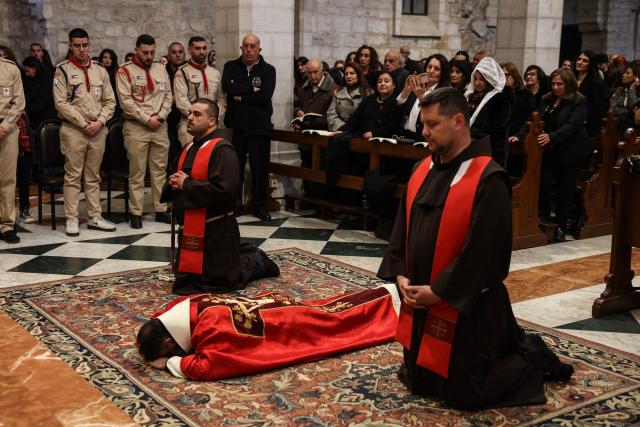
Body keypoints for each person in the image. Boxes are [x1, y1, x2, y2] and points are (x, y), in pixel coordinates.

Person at [377, 87, 573, 410]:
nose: (422, 132)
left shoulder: (488, 178)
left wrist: (438, 291)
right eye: (422, 124)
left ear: (458, 121)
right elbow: (401, 231)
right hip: (422, 302)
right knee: (421, 381)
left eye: (431, 124)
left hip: (468, 305)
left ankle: (532, 354)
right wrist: (401, 276)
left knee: (465, 393)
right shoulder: (420, 170)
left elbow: (484, 254)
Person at [137, 283, 400, 380]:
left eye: (172, 349)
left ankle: (389, 303)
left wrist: (172, 361)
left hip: (286, 324)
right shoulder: (180, 309)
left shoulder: (211, 328)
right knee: (327, 309)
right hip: (272, 307)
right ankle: (384, 294)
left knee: (334, 322)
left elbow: (209, 366)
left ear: (171, 341)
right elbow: (154, 322)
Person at [165, 97, 280, 295]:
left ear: (212, 121)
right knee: (187, 280)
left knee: (220, 282)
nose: (189, 118)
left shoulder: (223, 149)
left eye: (197, 114)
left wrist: (187, 184)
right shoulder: (189, 147)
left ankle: (257, 261)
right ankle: (242, 253)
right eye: (189, 113)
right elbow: (181, 178)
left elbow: (225, 192)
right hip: (192, 228)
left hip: (216, 230)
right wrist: (174, 182)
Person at [53, 28, 116, 237]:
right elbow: (61, 103)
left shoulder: (100, 70)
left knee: (93, 176)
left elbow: (110, 101)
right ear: (70, 46)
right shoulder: (62, 70)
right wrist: (83, 123)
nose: (82, 49)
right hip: (74, 130)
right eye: (77, 45)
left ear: (89, 45)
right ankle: (72, 218)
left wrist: (99, 122)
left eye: (85, 45)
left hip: (97, 130)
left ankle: (95, 216)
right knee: (72, 175)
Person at [116, 34, 173, 229]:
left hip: (160, 126)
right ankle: (136, 213)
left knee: (160, 171)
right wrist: (147, 119)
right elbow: (126, 102)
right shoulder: (125, 71)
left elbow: (168, 96)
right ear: (137, 50)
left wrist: (161, 116)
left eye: (152, 52)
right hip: (137, 127)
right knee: (137, 172)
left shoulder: (160, 68)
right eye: (145, 52)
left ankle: (160, 209)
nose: (149, 56)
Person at [221, 33, 276, 222]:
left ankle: (259, 206)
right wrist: (251, 90)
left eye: (253, 46)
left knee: (259, 169)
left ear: (259, 49)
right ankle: (234, 205)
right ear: (241, 48)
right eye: (246, 46)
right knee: (233, 169)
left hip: (259, 128)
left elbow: (265, 95)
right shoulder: (231, 67)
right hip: (236, 127)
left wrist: (241, 95)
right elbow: (228, 88)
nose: (249, 49)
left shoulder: (268, 70)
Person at [174, 36, 226, 147]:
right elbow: (181, 101)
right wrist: (199, 117)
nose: (202, 52)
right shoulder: (182, 72)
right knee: (190, 161)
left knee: (211, 158)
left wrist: (216, 115)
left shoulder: (214, 72)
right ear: (189, 50)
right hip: (191, 124)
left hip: (211, 125)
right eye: (197, 48)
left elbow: (221, 98)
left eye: (204, 48)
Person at [0, 49, 26, 243]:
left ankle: (7, 224)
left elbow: (18, 103)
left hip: (7, 129)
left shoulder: (10, 69)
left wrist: (4, 126)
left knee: (8, 179)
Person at [465, 57, 510, 167]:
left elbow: (498, 127)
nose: (478, 83)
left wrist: (472, 134)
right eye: (475, 79)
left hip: (491, 149)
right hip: (469, 147)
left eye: (482, 79)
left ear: (489, 79)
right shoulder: (470, 96)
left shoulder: (500, 98)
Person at [397, 54, 450, 142]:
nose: (431, 71)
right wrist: (405, 91)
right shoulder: (418, 83)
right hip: (404, 136)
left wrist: (421, 96)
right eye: (429, 67)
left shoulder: (444, 92)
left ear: (442, 73)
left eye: (436, 69)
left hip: (425, 139)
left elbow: (436, 115)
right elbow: (397, 107)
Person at [326, 62, 372, 132]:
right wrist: (342, 127)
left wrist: (351, 129)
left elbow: (368, 116)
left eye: (352, 73)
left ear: (358, 75)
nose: (348, 76)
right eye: (346, 74)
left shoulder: (368, 92)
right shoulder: (338, 92)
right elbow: (331, 113)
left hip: (359, 132)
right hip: (340, 130)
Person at [293, 58, 336, 130]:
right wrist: (297, 111)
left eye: (316, 72)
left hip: (323, 133)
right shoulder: (304, 87)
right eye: (309, 73)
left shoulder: (333, 89)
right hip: (305, 132)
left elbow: (331, 115)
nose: (312, 76)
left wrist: (310, 122)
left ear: (322, 71)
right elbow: (297, 105)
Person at [575, 50, 609, 138]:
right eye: (579, 59)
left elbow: (597, 107)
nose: (580, 62)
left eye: (585, 61)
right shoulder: (572, 79)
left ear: (591, 64)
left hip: (587, 125)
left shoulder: (596, 82)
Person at [165, 42, 187, 170]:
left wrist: (176, 99)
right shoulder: (162, 71)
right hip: (168, 119)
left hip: (185, 117)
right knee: (170, 155)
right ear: (168, 56)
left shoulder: (188, 71)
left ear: (184, 54)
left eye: (180, 52)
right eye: (174, 52)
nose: (177, 55)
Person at [98, 48, 122, 120]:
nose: (107, 60)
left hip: (115, 105)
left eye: (110, 58)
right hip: (99, 104)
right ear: (101, 59)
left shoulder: (118, 73)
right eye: (105, 57)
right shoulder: (96, 72)